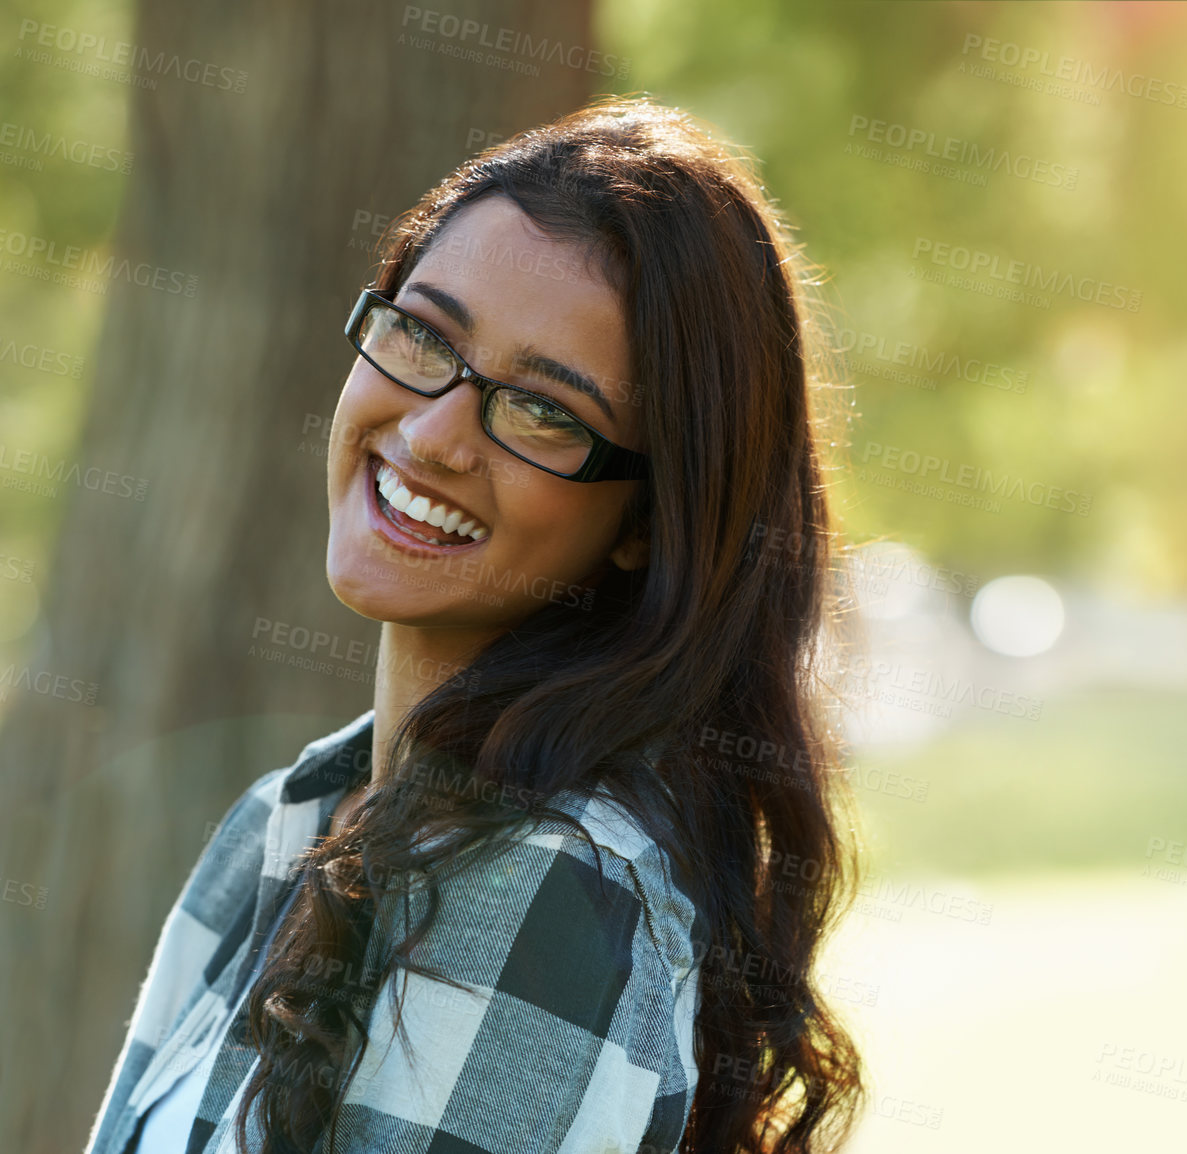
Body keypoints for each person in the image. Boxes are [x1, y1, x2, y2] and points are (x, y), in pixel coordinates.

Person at [84, 94, 865, 1154]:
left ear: (647, 522)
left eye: (545, 410)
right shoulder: (286, 817)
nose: (433, 431)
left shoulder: (545, 886)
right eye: (422, 334)